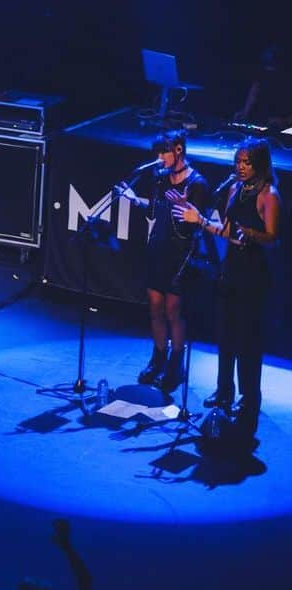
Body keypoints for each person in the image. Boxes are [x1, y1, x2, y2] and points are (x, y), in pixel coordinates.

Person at [173, 137, 282, 438]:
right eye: (238, 162)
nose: (241, 167)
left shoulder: (269, 195)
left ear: (259, 163)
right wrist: (202, 219)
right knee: (226, 337)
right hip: (231, 272)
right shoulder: (234, 188)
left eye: (247, 163)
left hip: (254, 278)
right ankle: (224, 393)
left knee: (248, 343)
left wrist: (244, 234)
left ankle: (249, 400)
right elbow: (226, 228)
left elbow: (273, 238)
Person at [117, 130, 211, 393]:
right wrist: (134, 200)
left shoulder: (197, 184)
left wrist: (183, 207)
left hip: (180, 253)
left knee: (173, 311)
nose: (160, 158)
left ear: (179, 150)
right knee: (155, 307)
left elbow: (192, 229)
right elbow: (154, 211)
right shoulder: (159, 178)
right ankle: (158, 357)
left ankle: (176, 364)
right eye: (158, 153)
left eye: (164, 152)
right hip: (157, 248)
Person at [234, 41, 292, 131]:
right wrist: (245, 112)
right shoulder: (261, 75)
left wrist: (286, 121)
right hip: (262, 122)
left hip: (281, 126)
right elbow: (253, 94)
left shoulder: (286, 79)